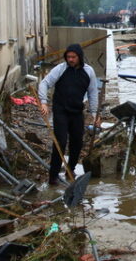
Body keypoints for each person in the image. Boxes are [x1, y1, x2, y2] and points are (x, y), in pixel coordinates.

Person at [39, 44, 99, 185]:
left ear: (80, 57)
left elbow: (93, 93)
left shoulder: (88, 71)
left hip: (77, 111)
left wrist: (95, 113)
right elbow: (44, 83)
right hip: (61, 111)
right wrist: (43, 102)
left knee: (77, 142)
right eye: (68, 57)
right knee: (60, 142)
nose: (70, 60)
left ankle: (70, 169)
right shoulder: (60, 69)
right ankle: (53, 176)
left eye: (73, 57)